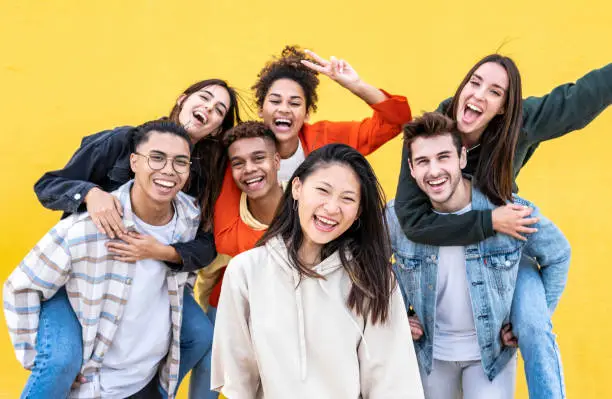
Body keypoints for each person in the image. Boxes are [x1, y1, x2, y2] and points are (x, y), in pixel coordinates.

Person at [393, 55, 611, 398]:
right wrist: (490, 220)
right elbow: (411, 222)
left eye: (495, 92)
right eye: (474, 83)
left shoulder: (520, 125)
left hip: (501, 249)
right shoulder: (433, 135)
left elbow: (579, 99)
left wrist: (523, 323)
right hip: (452, 246)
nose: (479, 95)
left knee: (534, 326)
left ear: (503, 109)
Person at [28, 78, 241, 398]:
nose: (208, 109)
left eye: (219, 110)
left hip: (148, 285)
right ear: (183, 99)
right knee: (61, 360)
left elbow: (207, 245)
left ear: (215, 130)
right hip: (79, 278)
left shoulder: (203, 178)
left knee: (197, 335)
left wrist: (163, 250)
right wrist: (90, 194)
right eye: (204, 98)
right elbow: (49, 186)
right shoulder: (122, 140)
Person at [5, 120, 201, 399]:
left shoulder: (189, 220)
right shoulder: (88, 228)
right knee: (59, 360)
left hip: (146, 379)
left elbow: (187, 275)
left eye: (180, 162)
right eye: (156, 158)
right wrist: (37, 359)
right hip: (95, 383)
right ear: (134, 161)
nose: (168, 170)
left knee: (201, 334)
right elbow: (21, 286)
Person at [211, 144, 425, 398]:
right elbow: (238, 379)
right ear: (297, 188)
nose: (332, 208)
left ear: (358, 212)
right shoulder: (246, 271)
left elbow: (391, 381)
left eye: (347, 198)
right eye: (323, 190)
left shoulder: (372, 277)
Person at [387, 112, 570, 399]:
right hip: (429, 353)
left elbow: (558, 254)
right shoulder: (396, 218)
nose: (434, 171)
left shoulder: (508, 211)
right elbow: (367, 268)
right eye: (423, 161)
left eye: (443, 157)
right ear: (410, 169)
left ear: (461, 158)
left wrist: (530, 319)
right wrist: (392, 314)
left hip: (490, 357)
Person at [196, 121, 284, 312]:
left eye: (259, 158)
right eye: (238, 163)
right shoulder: (230, 228)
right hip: (228, 308)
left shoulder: (304, 207)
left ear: (277, 161)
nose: (249, 169)